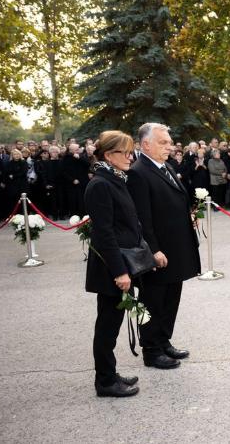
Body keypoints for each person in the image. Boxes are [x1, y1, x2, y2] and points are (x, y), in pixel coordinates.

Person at [127, 123, 200, 370]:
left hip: (176, 248)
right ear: (145, 144)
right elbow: (143, 218)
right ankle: (151, 350)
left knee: (171, 298)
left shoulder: (164, 165)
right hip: (159, 252)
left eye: (169, 142)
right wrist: (153, 250)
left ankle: (164, 340)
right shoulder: (138, 172)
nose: (169, 146)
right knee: (153, 300)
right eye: (163, 142)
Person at [84, 130, 141, 397]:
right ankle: (105, 381)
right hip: (111, 267)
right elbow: (104, 233)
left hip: (121, 262)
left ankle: (110, 373)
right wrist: (119, 271)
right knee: (107, 325)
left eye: (131, 152)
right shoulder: (101, 184)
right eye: (126, 152)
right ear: (108, 155)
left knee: (112, 322)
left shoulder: (115, 179)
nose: (131, 157)